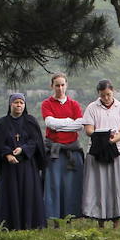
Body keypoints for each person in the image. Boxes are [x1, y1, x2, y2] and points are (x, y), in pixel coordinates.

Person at [80, 79, 120, 228]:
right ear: (98, 94)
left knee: (116, 187)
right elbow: (89, 130)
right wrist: (103, 138)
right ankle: (100, 222)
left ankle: (116, 223)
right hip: (97, 151)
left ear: (113, 92)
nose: (106, 98)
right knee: (99, 186)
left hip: (118, 150)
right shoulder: (92, 108)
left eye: (108, 95)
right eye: (103, 95)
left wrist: (112, 140)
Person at [0, 92, 47, 231]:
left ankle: (31, 225)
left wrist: (23, 149)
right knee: (9, 195)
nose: (19, 105)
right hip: (9, 168)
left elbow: (35, 141)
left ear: (24, 105)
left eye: (21, 102)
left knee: (29, 194)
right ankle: (9, 226)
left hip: (28, 165)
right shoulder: (1, 123)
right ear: (10, 104)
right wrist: (7, 154)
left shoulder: (31, 121)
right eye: (16, 102)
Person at [40, 72, 84, 224]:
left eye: (62, 85)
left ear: (66, 85)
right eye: (57, 85)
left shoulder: (74, 104)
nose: (60, 88)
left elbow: (80, 125)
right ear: (52, 86)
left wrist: (61, 124)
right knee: (54, 185)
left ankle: (71, 218)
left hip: (72, 150)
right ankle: (55, 220)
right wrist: (69, 122)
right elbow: (50, 123)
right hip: (55, 152)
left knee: (72, 186)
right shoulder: (47, 104)